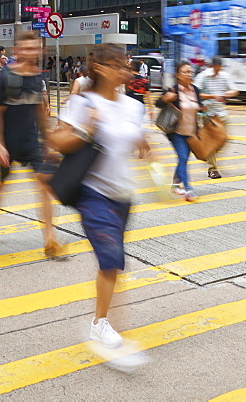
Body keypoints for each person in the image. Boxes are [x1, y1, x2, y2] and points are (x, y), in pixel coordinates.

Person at [48, 43, 150, 368]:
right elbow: (57, 141)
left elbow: (137, 141)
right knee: (111, 259)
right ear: (103, 69)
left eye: (128, 65)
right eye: (122, 65)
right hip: (93, 194)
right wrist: (87, 129)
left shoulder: (133, 107)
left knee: (113, 263)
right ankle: (100, 325)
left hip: (123, 196)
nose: (128, 71)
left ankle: (104, 322)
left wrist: (145, 146)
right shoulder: (83, 103)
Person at [0, 31, 59, 256]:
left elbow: (40, 113)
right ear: (16, 51)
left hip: (31, 142)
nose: (30, 52)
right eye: (26, 48)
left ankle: (50, 238)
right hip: (7, 143)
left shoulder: (38, 78)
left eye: (35, 48)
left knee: (45, 186)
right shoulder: (4, 78)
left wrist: (47, 142)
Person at [160, 61, 201, 202]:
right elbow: (158, 103)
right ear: (178, 75)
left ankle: (175, 185)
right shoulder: (174, 90)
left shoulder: (195, 89)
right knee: (183, 158)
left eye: (190, 71)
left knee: (183, 159)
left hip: (191, 132)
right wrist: (166, 99)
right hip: (176, 132)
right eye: (185, 72)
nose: (189, 74)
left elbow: (199, 105)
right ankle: (189, 189)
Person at [195, 57, 238, 179]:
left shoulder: (224, 76)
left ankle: (209, 154)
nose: (218, 71)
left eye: (220, 69)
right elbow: (195, 93)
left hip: (221, 113)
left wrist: (230, 93)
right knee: (211, 141)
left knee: (224, 138)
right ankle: (212, 169)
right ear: (212, 66)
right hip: (208, 113)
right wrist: (213, 96)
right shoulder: (203, 76)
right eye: (216, 68)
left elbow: (234, 90)